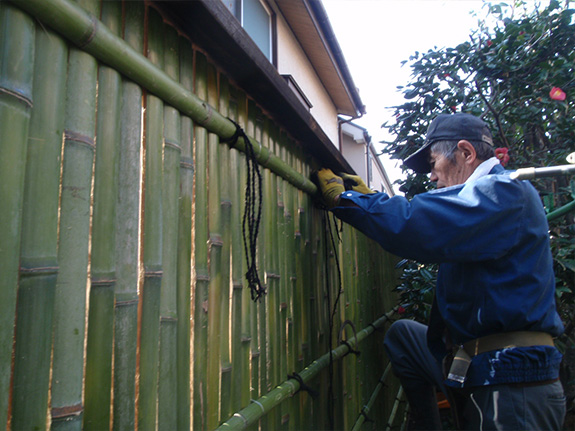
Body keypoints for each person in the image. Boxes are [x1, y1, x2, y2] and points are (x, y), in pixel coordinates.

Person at [317, 113, 566, 430]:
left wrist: (349, 200)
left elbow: (415, 224)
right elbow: (430, 217)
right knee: (403, 336)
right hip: (476, 364)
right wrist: (369, 200)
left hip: (513, 379)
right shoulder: (485, 201)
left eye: (433, 162)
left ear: (466, 153)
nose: (432, 176)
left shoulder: (503, 192)